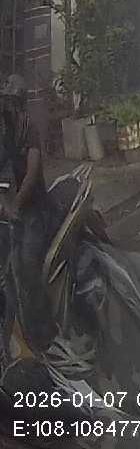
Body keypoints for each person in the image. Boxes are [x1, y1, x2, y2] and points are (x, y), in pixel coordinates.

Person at [0, 74, 54, 349]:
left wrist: (16, 205)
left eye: (9, 101)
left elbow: (32, 174)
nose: (6, 106)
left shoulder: (29, 129)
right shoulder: (6, 131)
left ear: (17, 103)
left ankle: (44, 331)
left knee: (28, 266)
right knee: (9, 274)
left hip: (33, 209)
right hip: (13, 210)